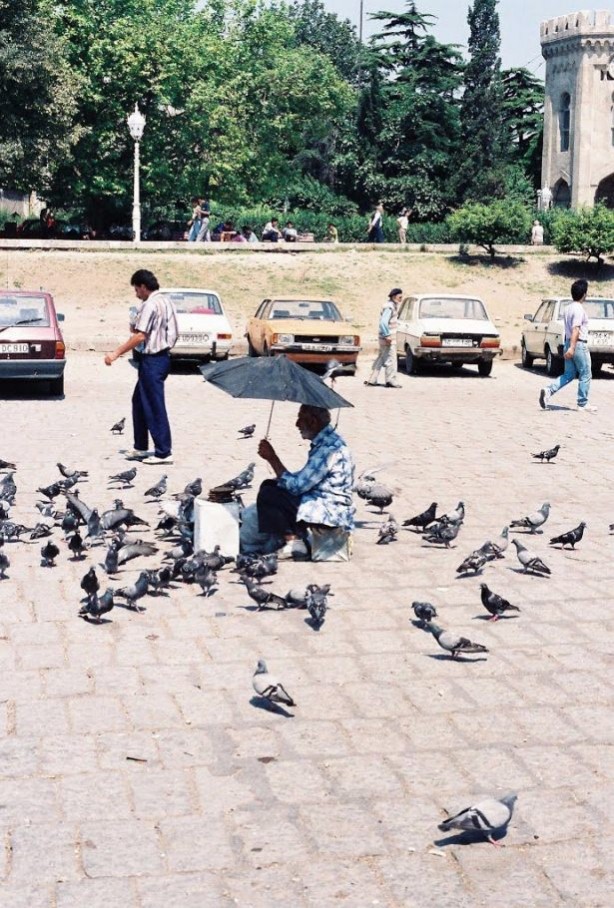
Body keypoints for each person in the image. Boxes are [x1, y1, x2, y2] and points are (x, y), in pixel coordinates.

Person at [256, 405, 355, 559]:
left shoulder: (327, 449)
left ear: (313, 422)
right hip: (328, 500)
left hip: (329, 509)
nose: (297, 424)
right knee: (273, 485)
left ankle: (295, 542)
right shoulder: (329, 440)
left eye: (301, 418)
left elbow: (297, 487)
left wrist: (272, 458)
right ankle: (293, 537)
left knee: (270, 493)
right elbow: (308, 478)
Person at [104, 269, 179, 463]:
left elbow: (139, 336)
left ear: (143, 287)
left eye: (137, 289)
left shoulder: (150, 304)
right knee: (139, 402)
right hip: (162, 357)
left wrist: (116, 353)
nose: (136, 294)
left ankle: (163, 451)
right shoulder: (166, 301)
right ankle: (141, 446)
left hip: (153, 359)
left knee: (154, 405)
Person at [539, 279, 596, 413]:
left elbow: (568, 329)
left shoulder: (568, 308)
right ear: (584, 294)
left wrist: (568, 346)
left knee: (569, 374)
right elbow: (576, 329)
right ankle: (582, 403)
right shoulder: (578, 309)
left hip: (568, 342)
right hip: (578, 344)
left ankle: (549, 390)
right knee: (586, 373)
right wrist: (572, 347)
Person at [365, 288, 403, 388]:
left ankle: (372, 379)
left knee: (381, 358)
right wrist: (387, 335)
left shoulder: (391, 306)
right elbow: (383, 323)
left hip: (386, 337)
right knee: (391, 359)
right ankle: (391, 380)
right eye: (400, 297)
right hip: (388, 337)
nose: (401, 299)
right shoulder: (389, 307)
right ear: (394, 297)